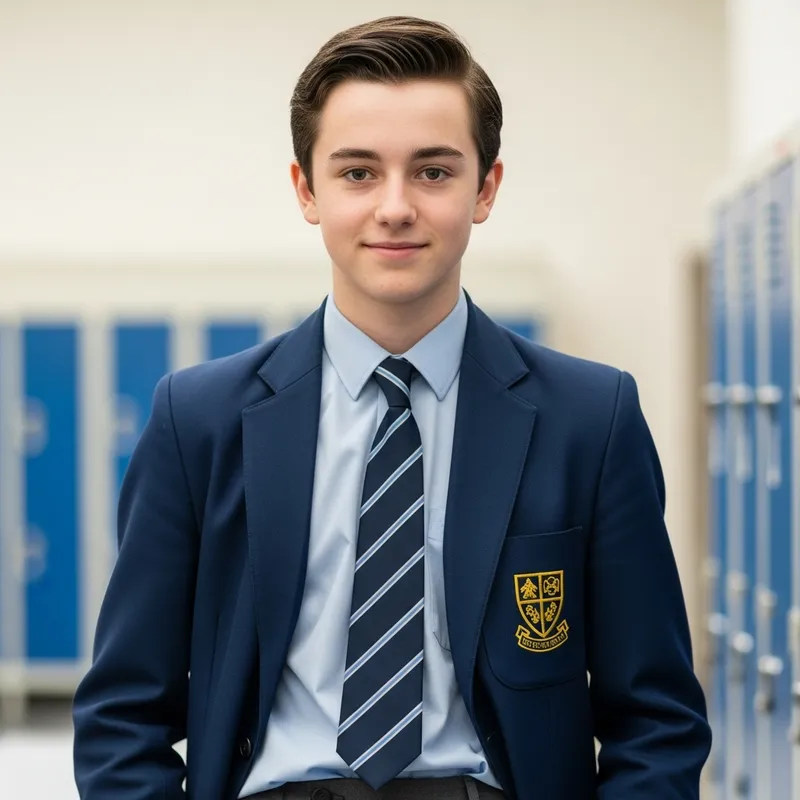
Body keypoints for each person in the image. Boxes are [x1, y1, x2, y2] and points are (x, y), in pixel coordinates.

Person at [72, 15, 711, 800]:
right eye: (358, 173)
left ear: (487, 189)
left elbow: (658, 720)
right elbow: (121, 714)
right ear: (307, 190)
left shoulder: (591, 418)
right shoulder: (199, 420)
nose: (396, 206)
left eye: (434, 172)